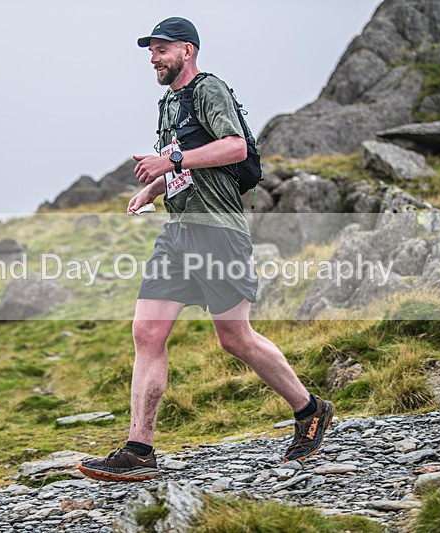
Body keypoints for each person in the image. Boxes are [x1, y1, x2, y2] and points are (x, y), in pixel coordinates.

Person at [78, 17, 333, 482]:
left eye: (160, 49)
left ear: (187, 51)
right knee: (147, 334)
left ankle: (310, 408)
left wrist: (170, 159)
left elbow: (234, 148)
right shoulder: (168, 103)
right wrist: (153, 189)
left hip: (218, 232)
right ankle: (139, 451)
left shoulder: (209, 90)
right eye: (150, 51)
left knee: (235, 338)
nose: (153, 58)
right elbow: (186, 163)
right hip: (177, 233)